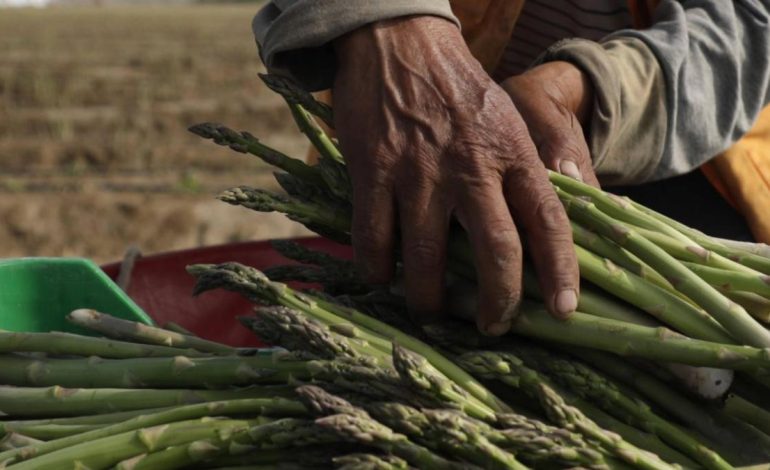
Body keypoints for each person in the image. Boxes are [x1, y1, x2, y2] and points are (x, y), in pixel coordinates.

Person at [251, 0, 770, 335]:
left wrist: (593, 89)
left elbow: (747, 29)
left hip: (693, 169)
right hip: (407, 152)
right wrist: (383, 17)